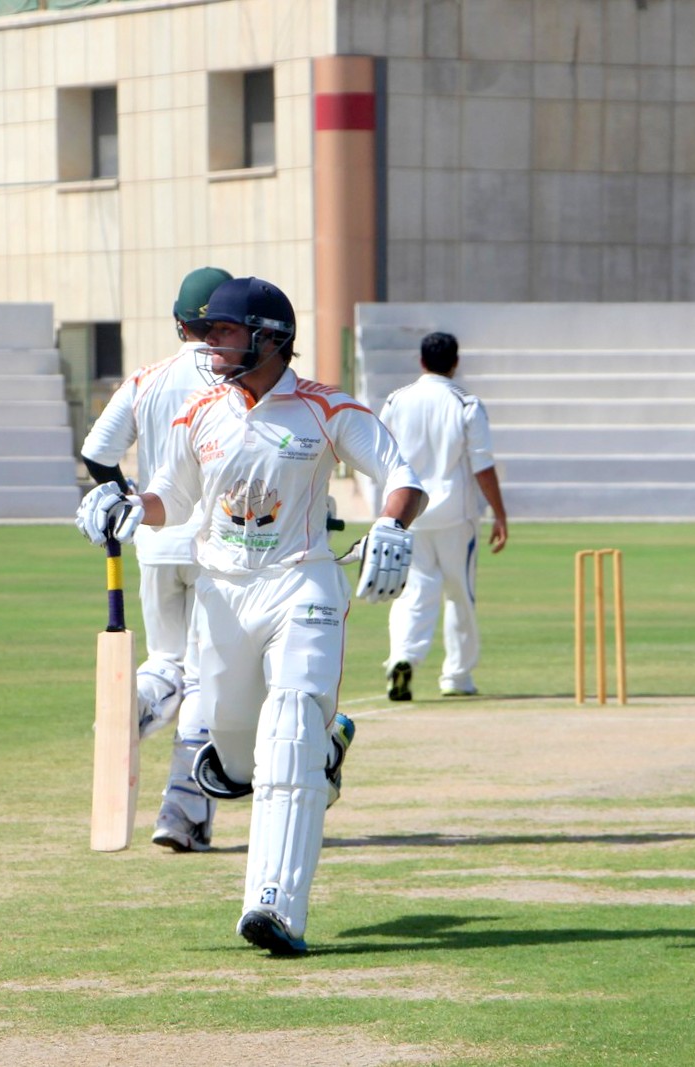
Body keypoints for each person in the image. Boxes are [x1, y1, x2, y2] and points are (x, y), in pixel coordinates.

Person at [75, 276, 425, 956]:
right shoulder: (199, 411)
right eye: (206, 331)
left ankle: (274, 906)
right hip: (222, 595)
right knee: (236, 760)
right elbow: (170, 498)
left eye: (223, 332)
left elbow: (403, 476)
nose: (208, 344)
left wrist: (391, 524)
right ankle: (326, 749)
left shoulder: (326, 407)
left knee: (288, 732)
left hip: (302, 582)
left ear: (268, 338)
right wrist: (125, 505)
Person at [78, 266, 229, 853]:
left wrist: (126, 496)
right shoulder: (238, 377)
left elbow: (97, 453)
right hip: (221, 546)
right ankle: (181, 814)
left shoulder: (147, 378)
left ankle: (134, 705)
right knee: (208, 676)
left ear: (178, 322)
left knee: (167, 660)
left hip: (155, 538)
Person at [376, 331, 508, 701]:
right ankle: (457, 676)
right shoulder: (466, 403)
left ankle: (403, 657)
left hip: (408, 512)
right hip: (455, 515)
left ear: (421, 361)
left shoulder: (396, 400)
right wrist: (499, 514)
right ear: (455, 363)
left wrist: (387, 512)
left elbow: (379, 455)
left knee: (413, 592)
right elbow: (482, 465)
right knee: (459, 594)